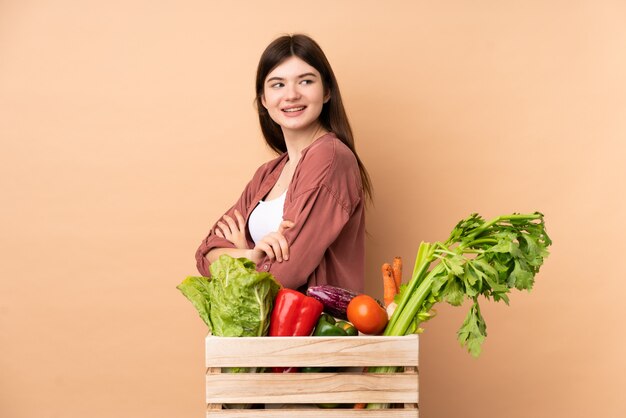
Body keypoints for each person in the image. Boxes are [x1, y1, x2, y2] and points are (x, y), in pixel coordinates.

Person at [195, 34, 372, 293]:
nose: (291, 95)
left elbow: (288, 270)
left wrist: (236, 254)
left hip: (315, 330)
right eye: (277, 84)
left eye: (306, 81)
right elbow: (205, 255)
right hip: (266, 332)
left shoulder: (331, 157)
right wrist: (252, 255)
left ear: (326, 92)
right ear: (264, 100)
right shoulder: (268, 173)